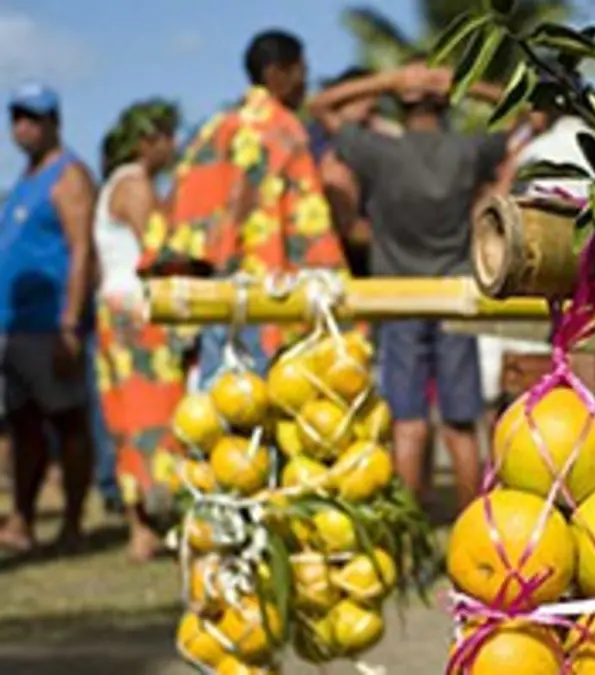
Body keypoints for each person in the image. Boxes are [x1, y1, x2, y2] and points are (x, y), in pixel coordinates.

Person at [308, 60, 533, 511]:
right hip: (454, 296)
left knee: (408, 423)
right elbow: (526, 113)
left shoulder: (377, 152)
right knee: (461, 423)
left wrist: (388, 79)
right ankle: (474, 521)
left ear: (401, 104)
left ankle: (410, 530)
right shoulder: (467, 151)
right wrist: (464, 83)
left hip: (398, 295)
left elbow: (320, 108)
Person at [141, 30, 348, 385]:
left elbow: (183, 212)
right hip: (270, 288)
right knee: (265, 408)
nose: (304, 84)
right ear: (276, 73)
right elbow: (304, 225)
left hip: (219, 288)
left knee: (220, 408)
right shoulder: (283, 129)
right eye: (301, 72)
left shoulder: (216, 127)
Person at [0, 83, 97, 552]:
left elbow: (81, 250)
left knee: (68, 422)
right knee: (23, 427)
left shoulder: (69, 175)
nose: (22, 126)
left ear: (54, 121)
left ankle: (74, 523)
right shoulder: (25, 180)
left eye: (33, 117)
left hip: (50, 325)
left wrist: (69, 323)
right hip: (14, 326)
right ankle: (22, 520)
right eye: (16, 116)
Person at [93, 100, 190, 560]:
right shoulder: (134, 185)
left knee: (130, 420)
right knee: (152, 419)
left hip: (115, 308)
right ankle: (150, 525)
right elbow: (156, 251)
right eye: (167, 137)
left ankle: (143, 529)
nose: (173, 147)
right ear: (146, 142)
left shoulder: (117, 183)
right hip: (137, 310)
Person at [310, 66, 400, 278]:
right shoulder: (329, 154)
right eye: (369, 109)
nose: (374, 119)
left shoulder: (373, 137)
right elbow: (349, 229)